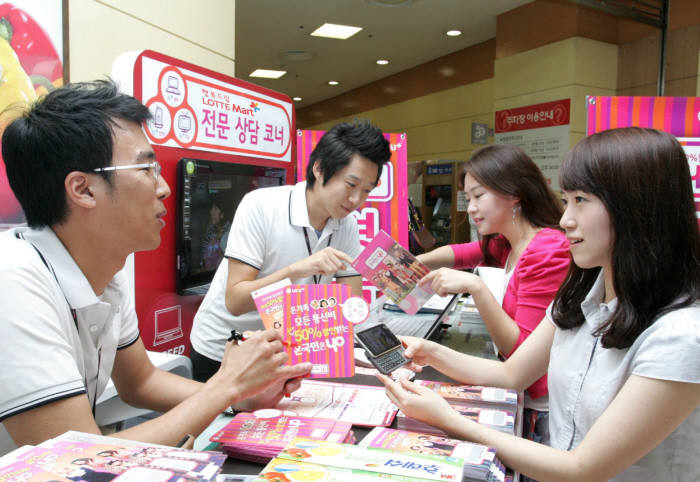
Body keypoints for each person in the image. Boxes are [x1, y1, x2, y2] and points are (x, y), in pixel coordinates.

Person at [0, 80, 311, 447]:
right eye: (146, 169)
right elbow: (71, 459)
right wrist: (226, 385)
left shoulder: (107, 273)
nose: (163, 187)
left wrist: (238, 396)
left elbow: (141, 382)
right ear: (83, 189)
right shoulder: (13, 282)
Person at [379, 127, 700, 481]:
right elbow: (511, 373)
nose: (566, 220)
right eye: (566, 200)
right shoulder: (582, 294)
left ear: (638, 207)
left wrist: (448, 420)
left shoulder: (679, 338)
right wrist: (429, 352)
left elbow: (582, 469)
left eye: (582, 200)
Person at [190, 120, 391, 381]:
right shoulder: (261, 206)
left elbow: (349, 304)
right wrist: (297, 270)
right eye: (351, 185)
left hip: (287, 353)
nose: (357, 201)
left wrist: (383, 346)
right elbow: (236, 301)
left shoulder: (347, 225)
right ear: (319, 168)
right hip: (226, 351)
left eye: (366, 191)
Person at [416, 144, 570, 442]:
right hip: (525, 397)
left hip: (543, 410)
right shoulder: (510, 242)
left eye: (478, 196)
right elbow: (461, 253)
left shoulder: (548, 251)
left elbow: (519, 348)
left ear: (513, 193)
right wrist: (412, 264)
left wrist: (476, 287)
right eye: (468, 197)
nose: (470, 207)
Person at [200, 197, 231, 271]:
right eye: (211, 209)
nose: (212, 212)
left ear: (222, 214)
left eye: (215, 209)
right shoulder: (210, 230)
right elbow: (204, 254)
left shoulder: (230, 230)